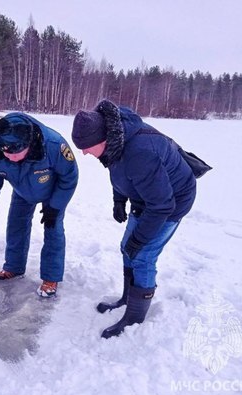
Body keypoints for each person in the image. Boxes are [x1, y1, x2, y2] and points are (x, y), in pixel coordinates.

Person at [71, 99, 197, 338]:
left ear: (103, 140)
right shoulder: (115, 140)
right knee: (126, 248)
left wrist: (140, 239)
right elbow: (117, 169)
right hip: (147, 197)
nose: (85, 153)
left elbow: (161, 205)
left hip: (171, 202)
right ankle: (128, 299)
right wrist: (119, 199)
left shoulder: (140, 152)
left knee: (142, 255)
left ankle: (135, 317)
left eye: (87, 147)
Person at [0, 112, 78, 298]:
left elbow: (69, 177)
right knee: (16, 224)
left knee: (53, 229)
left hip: (53, 191)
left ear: (29, 144)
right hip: (22, 190)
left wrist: (55, 207)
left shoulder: (54, 145)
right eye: (6, 153)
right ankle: (14, 267)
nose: (10, 157)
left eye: (15, 153)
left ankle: (51, 277)